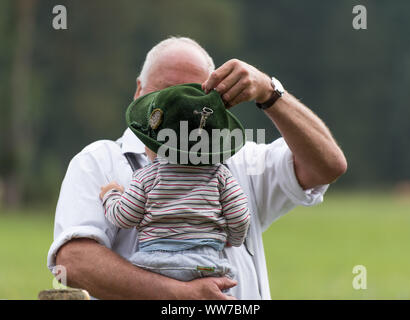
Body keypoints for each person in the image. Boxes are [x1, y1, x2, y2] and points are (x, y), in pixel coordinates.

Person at [47, 36, 347, 300]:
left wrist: (269, 93)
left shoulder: (243, 159)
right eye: (165, 90)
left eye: (192, 92)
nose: (178, 104)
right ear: (138, 90)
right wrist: (180, 296)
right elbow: (74, 263)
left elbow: (328, 166)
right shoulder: (99, 160)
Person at [99, 83, 250, 287]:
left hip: (154, 266)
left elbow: (124, 217)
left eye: (148, 142)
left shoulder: (146, 176)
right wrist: (234, 238)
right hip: (206, 266)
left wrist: (112, 194)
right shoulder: (221, 175)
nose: (144, 148)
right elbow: (240, 217)